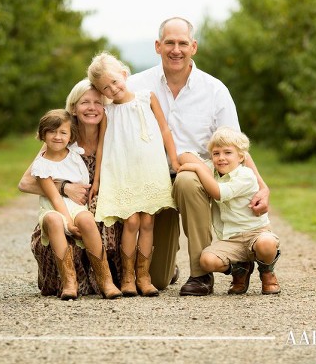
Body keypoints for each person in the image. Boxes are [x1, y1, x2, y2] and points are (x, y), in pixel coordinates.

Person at [126, 16, 271, 296]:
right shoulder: (136, 86)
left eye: (183, 43)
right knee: (155, 280)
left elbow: (236, 147)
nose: (176, 50)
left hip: (197, 179)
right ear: (158, 46)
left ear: (194, 47)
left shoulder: (215, 90)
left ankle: (200, 274)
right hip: (152, 180)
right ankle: (169, 268)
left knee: (187, 179)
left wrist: (262, 186)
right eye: (170, 42)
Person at [18, 80, 124, 298]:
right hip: (63, 207)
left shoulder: (111, 135)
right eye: (85, 102)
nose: (92, 108)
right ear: (74, 107)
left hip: (98, 206)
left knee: (92, 220)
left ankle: (107, 279)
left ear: (105, 107)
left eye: (98, 102)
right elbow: (26, 182)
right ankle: (69, 281)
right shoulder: (61, 140)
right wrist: (64, 188)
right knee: (61, 222)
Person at [87, 51, 179, 297]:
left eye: (115, 82)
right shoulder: (109, 113)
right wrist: (96, 179)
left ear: (124, 75)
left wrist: (175, 161)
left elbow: (165, 130)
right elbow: (103, 146)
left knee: (148, 221)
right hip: (123, 171)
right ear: (101, 92)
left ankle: (144, 275)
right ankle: (127, 276)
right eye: (106, 88)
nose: (113, 89)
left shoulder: (147, 98)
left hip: (150, 168)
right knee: (132, 221)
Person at [178, 126, 281, 295]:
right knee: (206, 261)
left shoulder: (246, 176)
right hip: (231, 240)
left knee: (266, 244)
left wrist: (197, 169)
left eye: (227, 153)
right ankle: (240, 269)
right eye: (216, 153)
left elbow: (219, 193)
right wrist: (195, 163)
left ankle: (267, 271)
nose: (221, 158)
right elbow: (184, 155)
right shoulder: (215, 170)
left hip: (256, 234)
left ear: (241, 157)